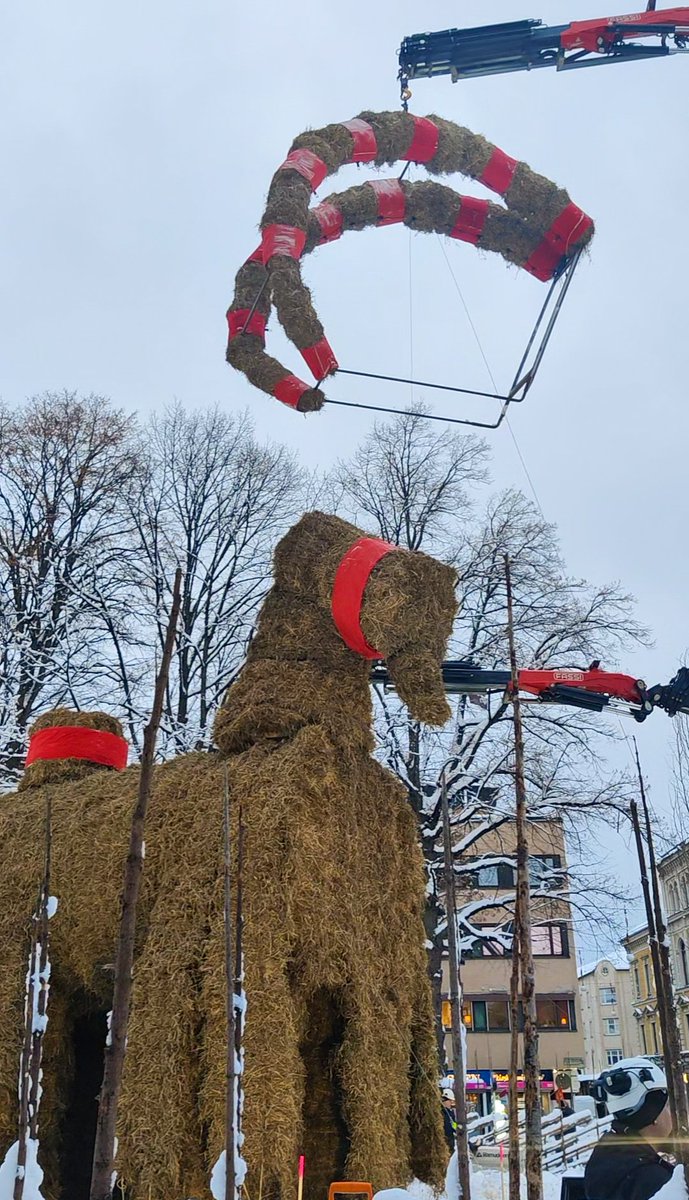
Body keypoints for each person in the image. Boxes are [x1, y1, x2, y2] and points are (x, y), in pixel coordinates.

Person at [584, 1057, 676, 1200]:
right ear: (653, 1115)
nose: (672, 1114)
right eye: (667, 1106)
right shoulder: (653, 1181)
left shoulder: (608, 1156)